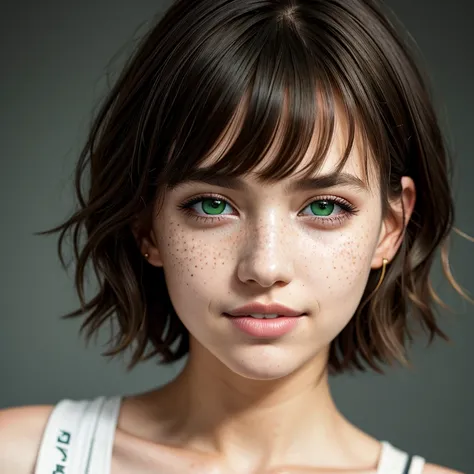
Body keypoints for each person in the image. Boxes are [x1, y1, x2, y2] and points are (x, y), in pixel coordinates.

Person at [0, 0, 470, 472]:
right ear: (147, 224)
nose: (265, 267)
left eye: (324, 206)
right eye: (212, 205)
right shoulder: (18, 457)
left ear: (389, 229)